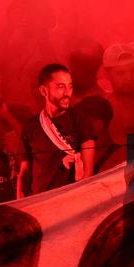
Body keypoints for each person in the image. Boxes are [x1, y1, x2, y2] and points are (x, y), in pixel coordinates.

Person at [19, 64, 93, 195]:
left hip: (71, 199)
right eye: (61, 87)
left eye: (70, 86)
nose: (67, 93)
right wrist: (20, 204)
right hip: (39, 202)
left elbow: (88, 172)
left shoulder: (81, 121)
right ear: (43, 91)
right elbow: (25, 172)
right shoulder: (31, 126)